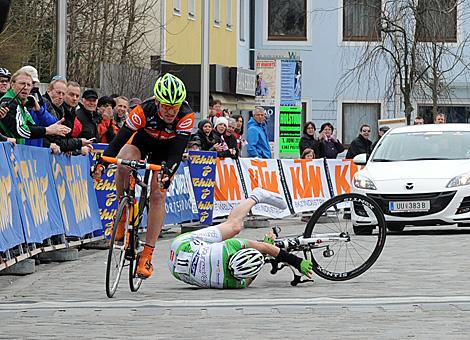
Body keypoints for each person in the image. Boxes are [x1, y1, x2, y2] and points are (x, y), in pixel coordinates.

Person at [94, 73, 194, 279]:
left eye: (174, 107)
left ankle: (147, 254)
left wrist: (168, 173)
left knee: (158, 194)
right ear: (157, 101)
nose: (170, 111)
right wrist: (103, 162)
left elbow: (176, 152)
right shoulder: (143, 111)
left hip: (167, 150)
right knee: (122, 162)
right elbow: (120, 138)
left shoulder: (186, 116)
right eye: (166, 106)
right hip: (143, 141)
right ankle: (122, 214)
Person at [168, 187, 313, 289]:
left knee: (234, 226)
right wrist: (261, 254)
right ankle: (257, 196)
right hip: (175, 269)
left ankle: (257, 196)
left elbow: (264, 247)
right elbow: (248, 279)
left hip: (183, 245)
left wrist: (296, 262)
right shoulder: (231, 284)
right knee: (239, 232)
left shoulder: (229, 247)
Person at [0, 69, 70, 145]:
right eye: (22, 83)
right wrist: (47, 130)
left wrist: (39, 110)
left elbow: (33, 126)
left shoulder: (25, 103)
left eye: (29, 84)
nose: (25, 87)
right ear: (12, 84)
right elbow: (21, 130)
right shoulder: (8, 101)